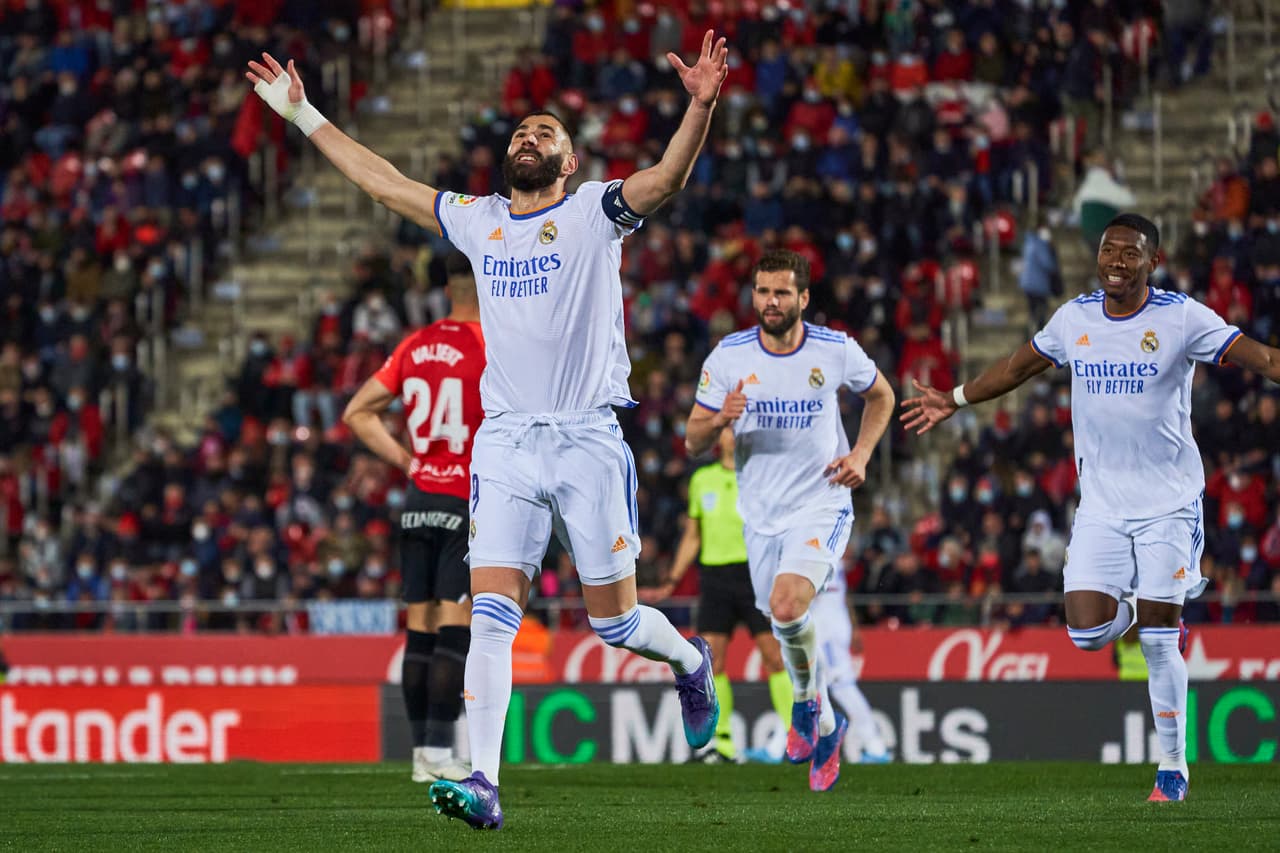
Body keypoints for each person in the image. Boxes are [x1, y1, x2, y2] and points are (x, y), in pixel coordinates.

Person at [249, 33, 729, 830]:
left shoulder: (594, 213)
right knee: (491, 611)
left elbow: (670, 176)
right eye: (519, 133)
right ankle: (484, 780)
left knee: (615, 623)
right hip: (503, 442)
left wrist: (700, 105)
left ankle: (688, 659)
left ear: (570, 161)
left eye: (545, 133)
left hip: (586, 438)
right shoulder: (478, 222)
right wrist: (304, 115)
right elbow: (385, 183)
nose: (527, 139)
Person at [902, 213, 1280, 803]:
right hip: (1101, 505)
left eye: (1130, 254)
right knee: (1086, 633)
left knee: (1158, 641)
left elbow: (1265, 362)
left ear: (1153, 262)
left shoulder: (1181, 317)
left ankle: (1172, 769)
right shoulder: (1074, 318)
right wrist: (954, 399)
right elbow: (1018, 366)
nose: (1116, 262)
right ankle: (1151, 608)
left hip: (1169, 504)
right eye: (1109, 251)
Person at [685, 249, 895, 793]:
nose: (770, 302)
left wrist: (862, 456)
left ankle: (805, 707)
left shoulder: (834, 350)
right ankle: (824, 727)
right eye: (762, 291)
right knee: (783, 623)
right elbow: (691, 439)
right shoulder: (728, 357)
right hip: (760, 516)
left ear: (803, 298)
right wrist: (719, 421)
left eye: (781, 293)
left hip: (822, 501)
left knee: (786, 606)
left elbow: (882, 395)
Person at [341, 252, 484, 785]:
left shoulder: (415, 345)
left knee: (419, 631)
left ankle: (425, 754)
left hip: (418, 499)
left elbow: (357, 411)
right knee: (454, 632)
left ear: (446, 289)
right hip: (462, 501)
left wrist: (407, 460)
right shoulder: (490, 346)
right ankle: (442, 751)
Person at [640, 428, 794, 765]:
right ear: (718, 438)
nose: (730, 433)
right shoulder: (702, 480)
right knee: (714, 661)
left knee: (775, 657)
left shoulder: (760, 476)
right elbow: (693, 536)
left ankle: (793, 735)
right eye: (725, 427)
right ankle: (720, 745)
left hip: (755, 575)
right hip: (715, 579)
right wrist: (673, 579)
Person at [810, 566, 891, 763]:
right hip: (833, 626)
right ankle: (779, 745)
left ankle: (875, 746)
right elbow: (844, 595)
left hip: (826, 630)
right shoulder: (832, 552)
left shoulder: (814, 553)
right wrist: (853, 626)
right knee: (810, 686)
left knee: (842, 687)